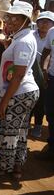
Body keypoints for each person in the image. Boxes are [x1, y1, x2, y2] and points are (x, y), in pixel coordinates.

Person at [0, 2, 39, 179]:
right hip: (22, 92)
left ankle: (3, 167)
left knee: (7, 131)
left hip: (18, 92)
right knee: (20, 130)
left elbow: (18, 75)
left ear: (25, 20)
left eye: (15, 18)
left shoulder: (24, 41)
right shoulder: (20, 38)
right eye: (9, 17)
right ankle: (17, 166)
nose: (9, 20)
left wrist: (4, 101)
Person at [29, 11, 54, 137]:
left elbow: (48, 55)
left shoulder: (51, 35)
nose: (44, 24)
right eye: (41, 21)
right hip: (29, 72)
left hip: (44, 75)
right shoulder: (30, 35)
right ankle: (26, 123)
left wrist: (44, 70)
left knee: (41, 100)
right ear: (37, 23)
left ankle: (38, 125)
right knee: (27, 98)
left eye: (47, 21)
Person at [38, 10, 54, 161]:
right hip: (52, 78)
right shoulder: (52, 32)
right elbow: (47, 50)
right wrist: (44, 67)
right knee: (50, 113)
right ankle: (52, 146)